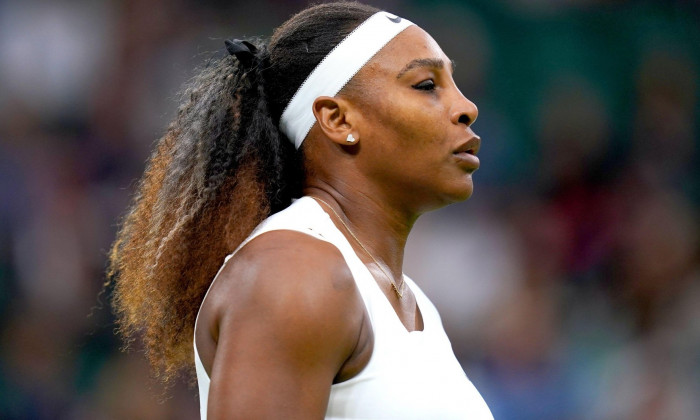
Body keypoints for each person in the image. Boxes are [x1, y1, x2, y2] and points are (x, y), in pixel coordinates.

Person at [108, 2, 493, 419]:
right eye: (425, 85)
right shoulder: (296, 272)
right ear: (337, 118)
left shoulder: (414, 303)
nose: (466, 107)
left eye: (453, 83)